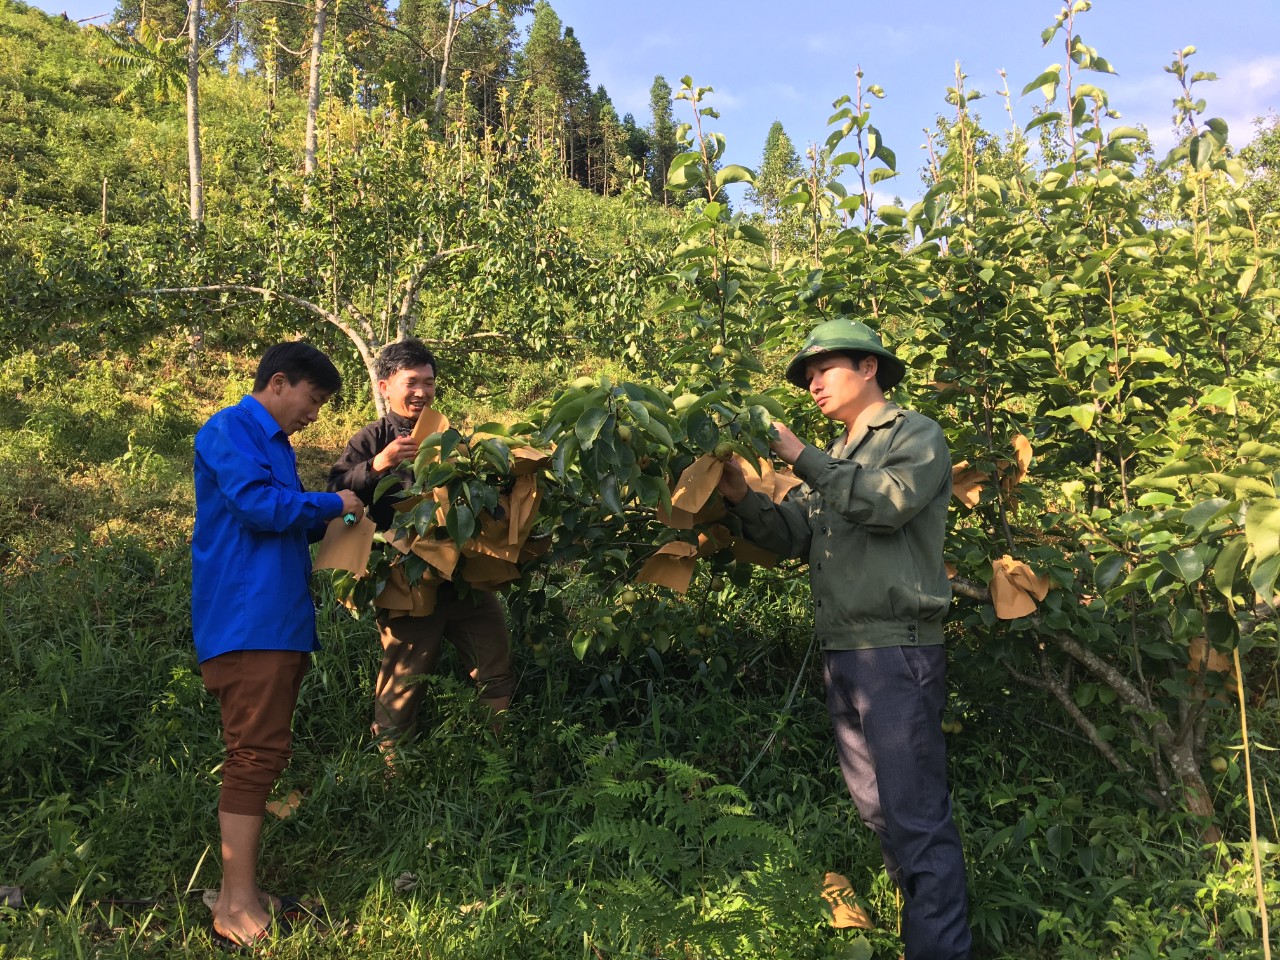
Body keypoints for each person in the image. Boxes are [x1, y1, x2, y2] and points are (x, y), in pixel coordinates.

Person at [717, 317, 972, 960]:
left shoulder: (913, 435)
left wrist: (798, 454)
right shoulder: (837, 458)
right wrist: (741, 497)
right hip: (846, 651)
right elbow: (791, 537)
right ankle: (927, 928)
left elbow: (886, 504)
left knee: (914, 814)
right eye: (806, 374)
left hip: (898, 650)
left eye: (823, 368)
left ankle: (940, 949)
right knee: (878, 808)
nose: (812, 383)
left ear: (868, 368)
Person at [192, 341, 365, 950]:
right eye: (312, 400)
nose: (313, 414)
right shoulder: (230, 429)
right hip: (248, 621)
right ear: (280, 383)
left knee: (262, 752)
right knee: (254, 756)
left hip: (275, 622)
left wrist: (353, 504)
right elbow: (260, 507)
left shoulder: (274, 446)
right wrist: (331, 502)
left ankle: (246, 892)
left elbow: (295, 517)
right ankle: (234, 905)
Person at [327, 339, 514, 748]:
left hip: (461, 573)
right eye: (412, 382)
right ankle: (394, 769)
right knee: (403, 676)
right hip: (404, 576)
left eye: (429, 383)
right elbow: (336, 492)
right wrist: (380, 464)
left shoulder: (450, 435)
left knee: (493, 658)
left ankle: (500, 755)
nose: (422, 392)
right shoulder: (371, 439)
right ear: (384, 386)